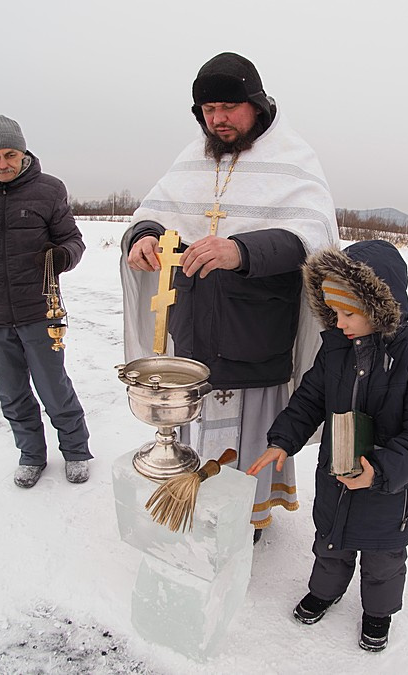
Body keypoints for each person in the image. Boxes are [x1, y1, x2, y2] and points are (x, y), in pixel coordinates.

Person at [120, 52, 339, 540]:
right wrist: (145, 236)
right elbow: (151, 212)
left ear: (256, 105)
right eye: (207, 109)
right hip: (194, 328)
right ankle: (190, 499)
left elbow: (312, 236)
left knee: (251, 429)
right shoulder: (191, 157)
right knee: (192, 424)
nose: (216, 119)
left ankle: (248, 515)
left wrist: (240, 250)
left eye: (228, 107)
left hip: (255, 332)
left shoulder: (293, 157)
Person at [247, 240, 408, 652]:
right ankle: (326, 591)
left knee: (383, 559)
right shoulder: (335, 351)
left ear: (379, 307)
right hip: (337, 477)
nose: (339, 322)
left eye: (349, 313)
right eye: (334, 312)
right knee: (330, 542)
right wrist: (282, 440)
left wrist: (381, 471)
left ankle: (378, 612)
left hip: (390, 490)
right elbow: (308, 400)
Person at [0, 115, 92, 489]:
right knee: (11, 392)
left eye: (9, 154)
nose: (3, 164)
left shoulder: (48, 190)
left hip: (40, 312)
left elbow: (74, 241)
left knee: (53, 387)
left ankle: (76, 449)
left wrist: (63, 256)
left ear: (23, 152)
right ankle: (31, 454)